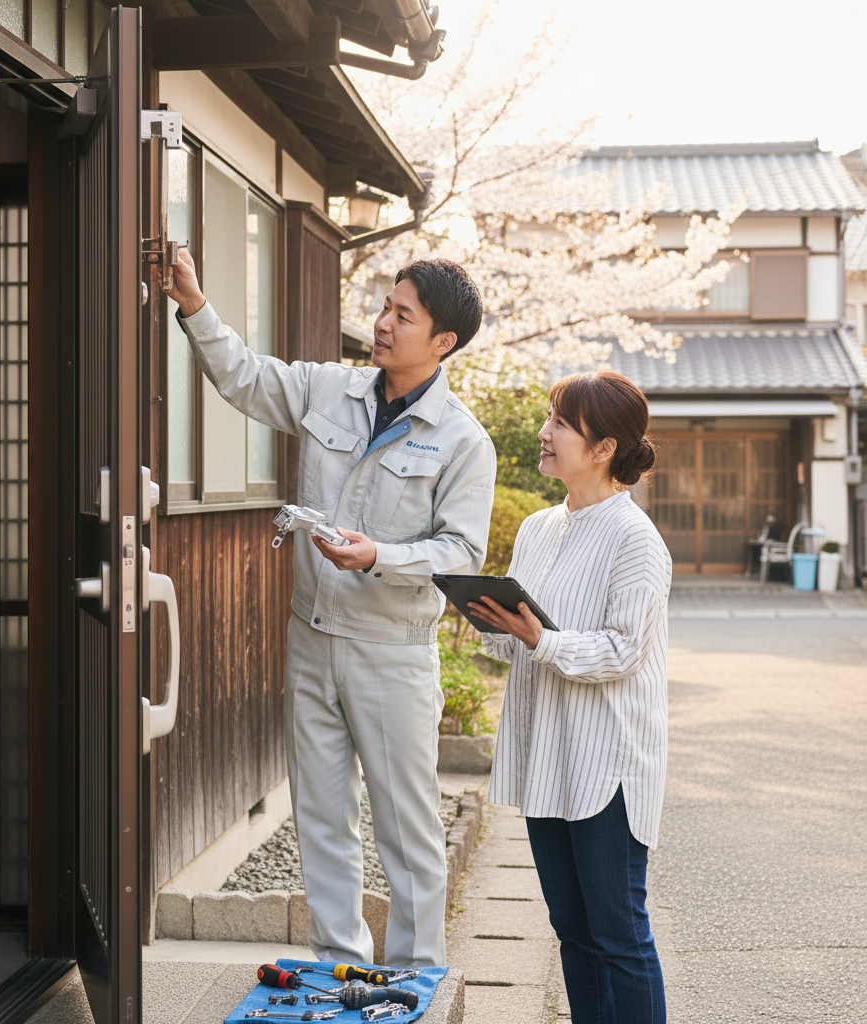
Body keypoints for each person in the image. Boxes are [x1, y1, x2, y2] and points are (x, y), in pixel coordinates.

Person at [164, 249, 496, 968]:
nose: (380, 323)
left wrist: (379, 555)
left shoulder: (465, 440)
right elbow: (246, 378)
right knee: (320, 816)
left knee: (407, 829)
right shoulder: (327, 390)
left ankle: (413, 980)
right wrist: (193, 304)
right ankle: (338, 966)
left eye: (402, 316)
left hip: (392, 653)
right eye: (384, 306)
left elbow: (462, 555)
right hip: (311, 640)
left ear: (443, 342)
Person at [468, 369, 670, 1024]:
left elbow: (621, 651)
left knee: (619, 935)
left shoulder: (635, 539)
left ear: (604, 447)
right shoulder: (537, 527)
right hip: (545, 760)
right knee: (572, 932)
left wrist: (541, 641)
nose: (543, 432)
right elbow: (524, 640)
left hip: (607, 765)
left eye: (559, 422)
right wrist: (491, 624)